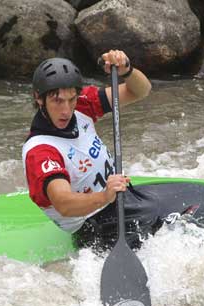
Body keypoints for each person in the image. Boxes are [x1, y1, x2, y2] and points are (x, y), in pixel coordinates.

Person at [22, 50, 155, 249]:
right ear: (39, 98)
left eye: (71, 99)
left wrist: (126, 70)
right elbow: (64, 204)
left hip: (121, 202)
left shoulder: (82, 106)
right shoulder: (41, 151)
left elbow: (141, 91)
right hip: (94, 227)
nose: (66, 110)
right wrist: (104, 197)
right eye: (57, 101)